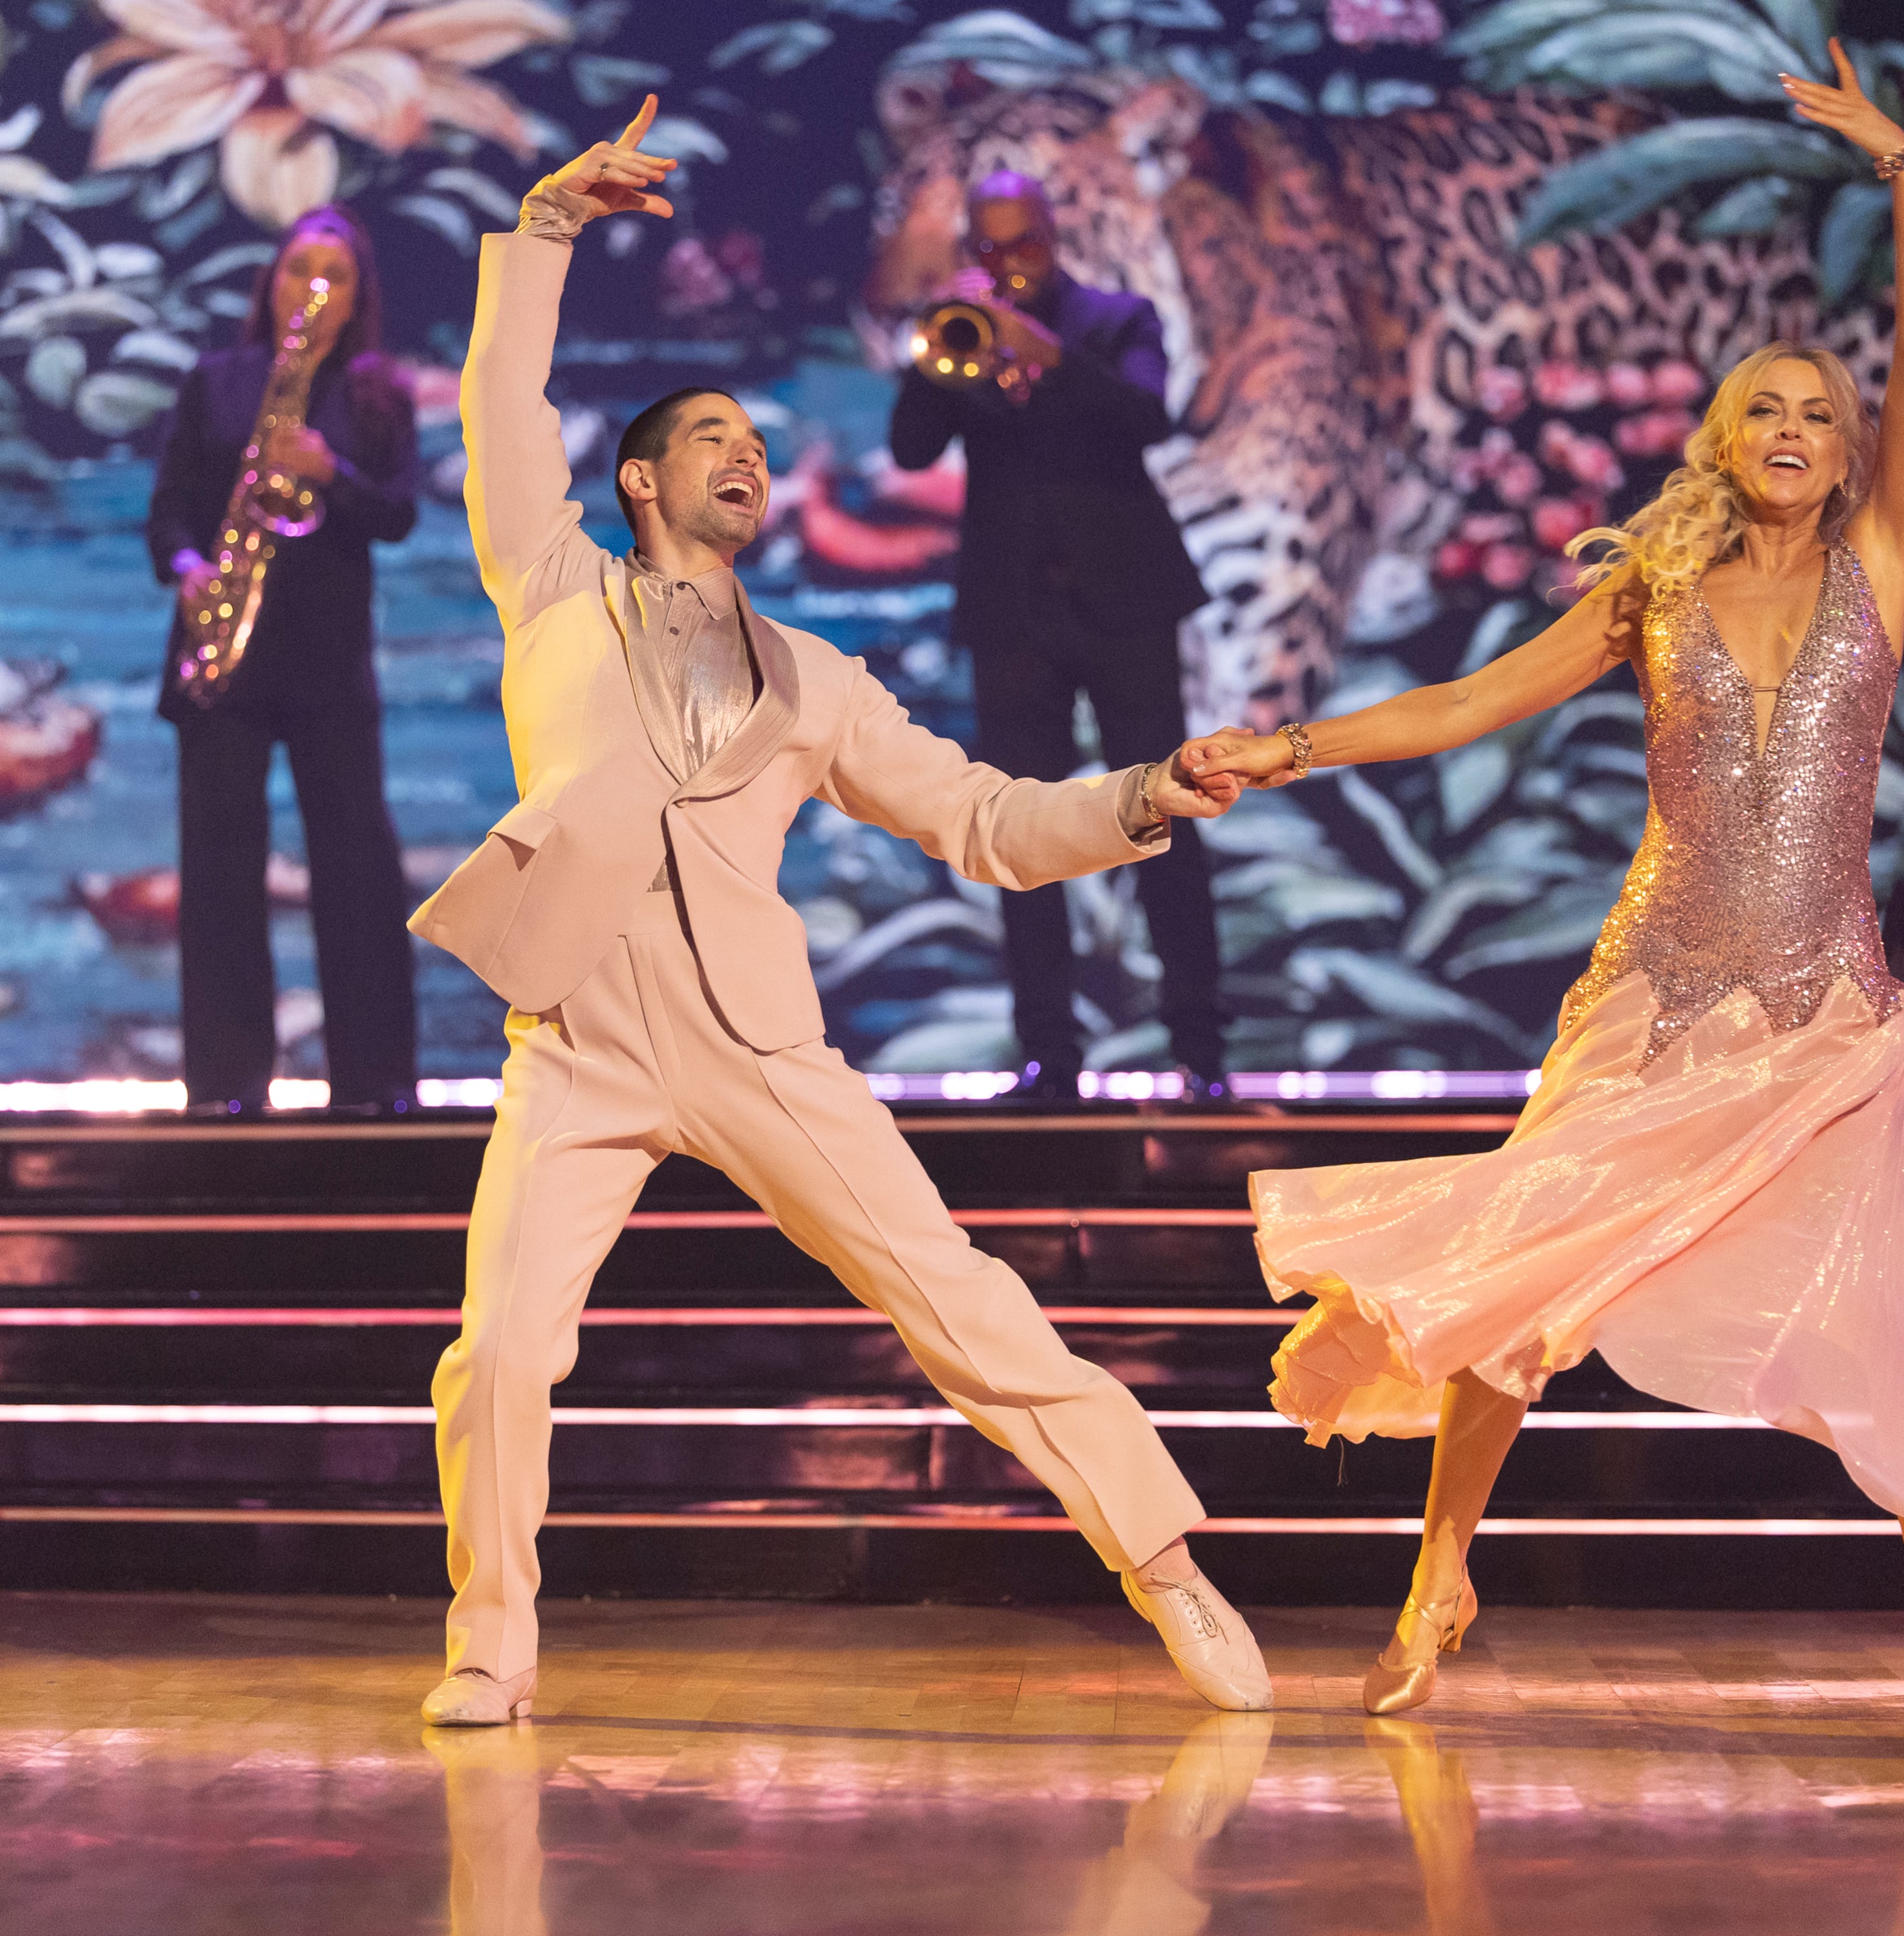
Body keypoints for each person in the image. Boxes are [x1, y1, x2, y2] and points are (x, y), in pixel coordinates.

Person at [1187, 46, 1904, 1716]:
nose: (1794, 430)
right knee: (1530, 1280)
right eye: (1763, 405)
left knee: (1891, 1305)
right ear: (1720, 437)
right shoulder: (1654, 595)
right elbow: (1470, 702)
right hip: (1653, 996)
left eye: (1816, 416)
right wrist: (1292, 743)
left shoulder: (1879, 566)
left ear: (1846, 457)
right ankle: (1439, 1576)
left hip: (1821, 1012)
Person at [408, 100, 1270, 1726]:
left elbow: (988, 821)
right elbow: (495, 402)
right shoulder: (547, 584)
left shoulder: (815, 676)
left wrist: (1146, 791)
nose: (748, 454)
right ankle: (490, 1641)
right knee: (500, 1354)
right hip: (576, 1047)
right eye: (713, 438)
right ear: (645, 480)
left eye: (756, 439)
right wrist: (543, 229)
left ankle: (1169, 1570)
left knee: (966, 1307)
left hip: (762, 1049)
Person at [887, 169, 1227, 1103]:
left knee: (1168, 821)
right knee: (1017, 834)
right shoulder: (962, 333)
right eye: (989, 249)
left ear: (1052, 235)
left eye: (1022, 243)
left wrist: (1049, 355)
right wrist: (936, 352)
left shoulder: (1118, 321)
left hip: (1125, 605)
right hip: (1014, 617)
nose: (1009, 264)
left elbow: (1146, 419)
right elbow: (912, 449)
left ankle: (1200, 1051)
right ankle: (1048, 1059)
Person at [145, 204, 421, 1116]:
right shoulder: (218, 382)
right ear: (271, 280)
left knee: (357, 873)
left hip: (328, 661)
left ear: (357, 299)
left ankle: (374, 1087)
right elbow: (172, 510)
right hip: (225, 655)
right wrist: (188, 568)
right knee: (220, 873)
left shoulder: (379, 393)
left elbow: (398, 513)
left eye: (334, 275)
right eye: (298, 268)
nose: (312, 287)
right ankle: (225, 1089)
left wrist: (329, 470)